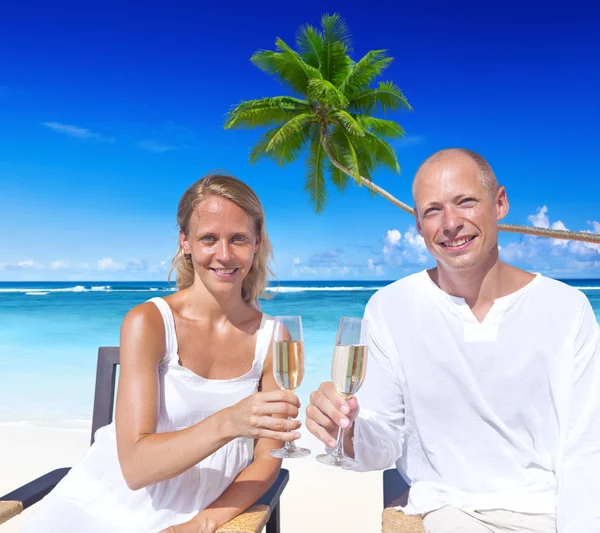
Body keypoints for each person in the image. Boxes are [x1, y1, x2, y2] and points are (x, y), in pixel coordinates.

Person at [306, 149, 600, 532]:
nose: (450, 223)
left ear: (500, 203)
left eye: (465, 202)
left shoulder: (567, 308)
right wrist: (343, 432)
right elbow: (383, 443)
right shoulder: (390, 307)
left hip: (551, 511)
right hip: (447, 512)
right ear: (417, 224)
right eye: (432, 210)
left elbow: (586, 448)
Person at [21, 173, 301, 533]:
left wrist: (204, 522)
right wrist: (231, 421)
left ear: (257, 242)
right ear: (185, 242)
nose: (225, 254)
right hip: (105, 506)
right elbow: (137, 469)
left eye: (239, 239)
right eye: (208, 239)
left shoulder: (275, 337)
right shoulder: (148, 322)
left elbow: (269, 458)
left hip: (203, 511)